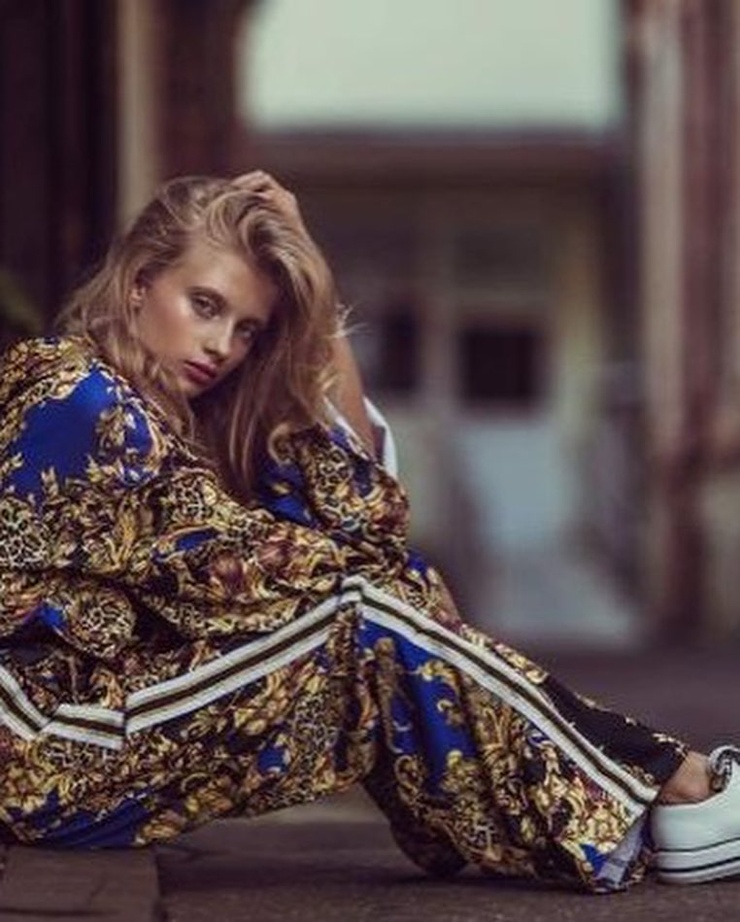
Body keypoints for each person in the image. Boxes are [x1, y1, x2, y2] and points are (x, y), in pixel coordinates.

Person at [0, 171, 736, 893]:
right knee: (363, 614)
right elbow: (260, 571)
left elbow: (367, 520)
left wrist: (319, 300)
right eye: (204, 305)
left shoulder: (173, 419)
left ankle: (631, 807)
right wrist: (380, 595)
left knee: (384, 592)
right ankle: (666, 781)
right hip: (41, 744)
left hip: (97, 726)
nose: (221, 345)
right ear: (139, 285)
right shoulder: (77, 396)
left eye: (247, 328)